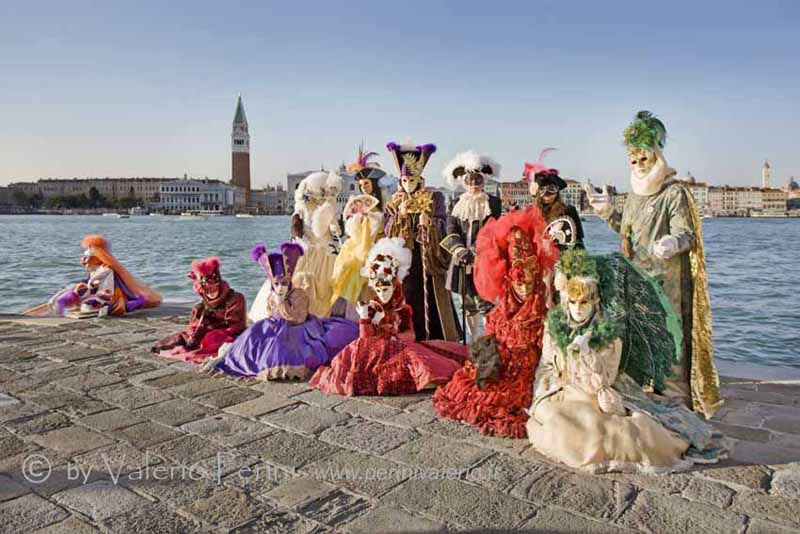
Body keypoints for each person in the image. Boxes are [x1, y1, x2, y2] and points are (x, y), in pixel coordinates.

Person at [526, 249, 723, 473]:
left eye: (584, 302)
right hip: (563, 389)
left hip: (595, 391)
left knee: (596, 434)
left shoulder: (609, 334)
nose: (578, 309)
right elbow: (546, 364)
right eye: (573, 302)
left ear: (596, 300)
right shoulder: (555, 326)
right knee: (550, 418)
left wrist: (587, 352)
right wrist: (543, 388)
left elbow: (603, 380)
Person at [585, 111, 721, 418]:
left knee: (670, 334)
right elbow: (628, 233)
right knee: (640, 334)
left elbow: (686, 234)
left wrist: (672, 243)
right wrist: (608, 213)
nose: (639, 165)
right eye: (633, 161)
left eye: (644, 158)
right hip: (636, 279)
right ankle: (645, 390)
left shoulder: (674, 193)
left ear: (657, 154)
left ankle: (676, 399)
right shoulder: (633, 197)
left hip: (668, 281)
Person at [433, 207, 558, 438]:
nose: (524, 287)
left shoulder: (544, 311)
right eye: (519, 283)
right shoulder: (500, 313)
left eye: (528, 282)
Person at [310, 237, 468, 396]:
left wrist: (394, 336)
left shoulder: (402, 309)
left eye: (386, 290)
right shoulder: (370, 308)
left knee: (429, 363)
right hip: (373, 355)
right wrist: (365, 319)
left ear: (394, 286)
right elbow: (366, 339)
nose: (382, 295)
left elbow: (410, 335)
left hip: (398, 349)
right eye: (379, 291)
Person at [207, 243, 358, 380]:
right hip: (274, 325)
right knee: (251, 341)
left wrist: (282, 303)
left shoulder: (299, 294)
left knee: (282, 347)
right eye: (277, 284)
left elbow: (298, 318)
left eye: (284, 283)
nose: (280, 288)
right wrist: (275, 308)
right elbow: (271, 312)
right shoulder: (272, 296)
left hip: (300, 328)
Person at [384, 141, 460, 342]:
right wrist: (399, 217)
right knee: (407, 295)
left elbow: (444, 223)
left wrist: (431, 223)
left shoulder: (434, 198)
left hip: (428, 257)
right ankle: (408, 337)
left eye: (412, 180)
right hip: (406, 260)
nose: (409, 184)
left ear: (420, 179)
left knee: (432, 298)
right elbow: (387, 231)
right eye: (405, 180)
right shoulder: (395, 202)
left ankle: (438, 337)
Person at [249, 170, 343, 321]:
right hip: (305, 253)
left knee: (325, 289)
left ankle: (321, 317)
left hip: (326, 256)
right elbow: (295, 229)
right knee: (299, 283)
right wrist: (301, 238)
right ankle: (295, 313)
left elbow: (338, 232)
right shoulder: (301, 211)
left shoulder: (329, 210)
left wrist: (335, 228)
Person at [440, 151, 503, 341]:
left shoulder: (493, 202)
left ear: (483, 180)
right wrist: (459, 250)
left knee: (486, 302)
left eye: (477, 180)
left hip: (485, 260)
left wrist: (476, 251)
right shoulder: (456, 203)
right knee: (467, 304)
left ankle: (491, 339)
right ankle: (474, 340)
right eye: (470, 180)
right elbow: (451, 229)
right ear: (464, 182)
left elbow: (493, 229)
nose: (474, 184)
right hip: (461, 260)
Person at [40, 235, 161, 318]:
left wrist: (90, 283)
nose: (84, 262)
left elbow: (95, 279)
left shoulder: (105, 269)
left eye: (87, 259)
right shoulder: (94, 270)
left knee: (89, 306)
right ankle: (62, 306)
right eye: (83, 258)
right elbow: (90, 281)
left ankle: (139, 301)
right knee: (75, 296)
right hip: (95, 292)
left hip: (107, 295)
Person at [153, 257, 247, 363]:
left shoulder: (236, 299)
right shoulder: (201, 307)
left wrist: (216, 332)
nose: (211, 293)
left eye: (214, 289)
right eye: (207, 291)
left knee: (211, 342)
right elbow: (196, 328)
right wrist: (195, 335)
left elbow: (237, 326)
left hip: (229, 336)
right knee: (182, 340)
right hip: (209, 335)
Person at [329, 145, 386, 309]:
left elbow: (385, 224)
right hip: (356, 245)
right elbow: (350, 229)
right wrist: (358, 219)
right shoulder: (355, 203)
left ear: (373, 184)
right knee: (349, 271)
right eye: (361, 185)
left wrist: (372, 218)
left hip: (377, 244)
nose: (364, 187)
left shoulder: (383, 201)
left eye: (366, 184)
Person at [523, 149, 584, 249]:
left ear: (557, 191)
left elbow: (579, 244)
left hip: (562, 260)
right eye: (542, 190)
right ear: (537, 193)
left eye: (551, 189)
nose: (547, 195)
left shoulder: (569, 210)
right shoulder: (531, 214)